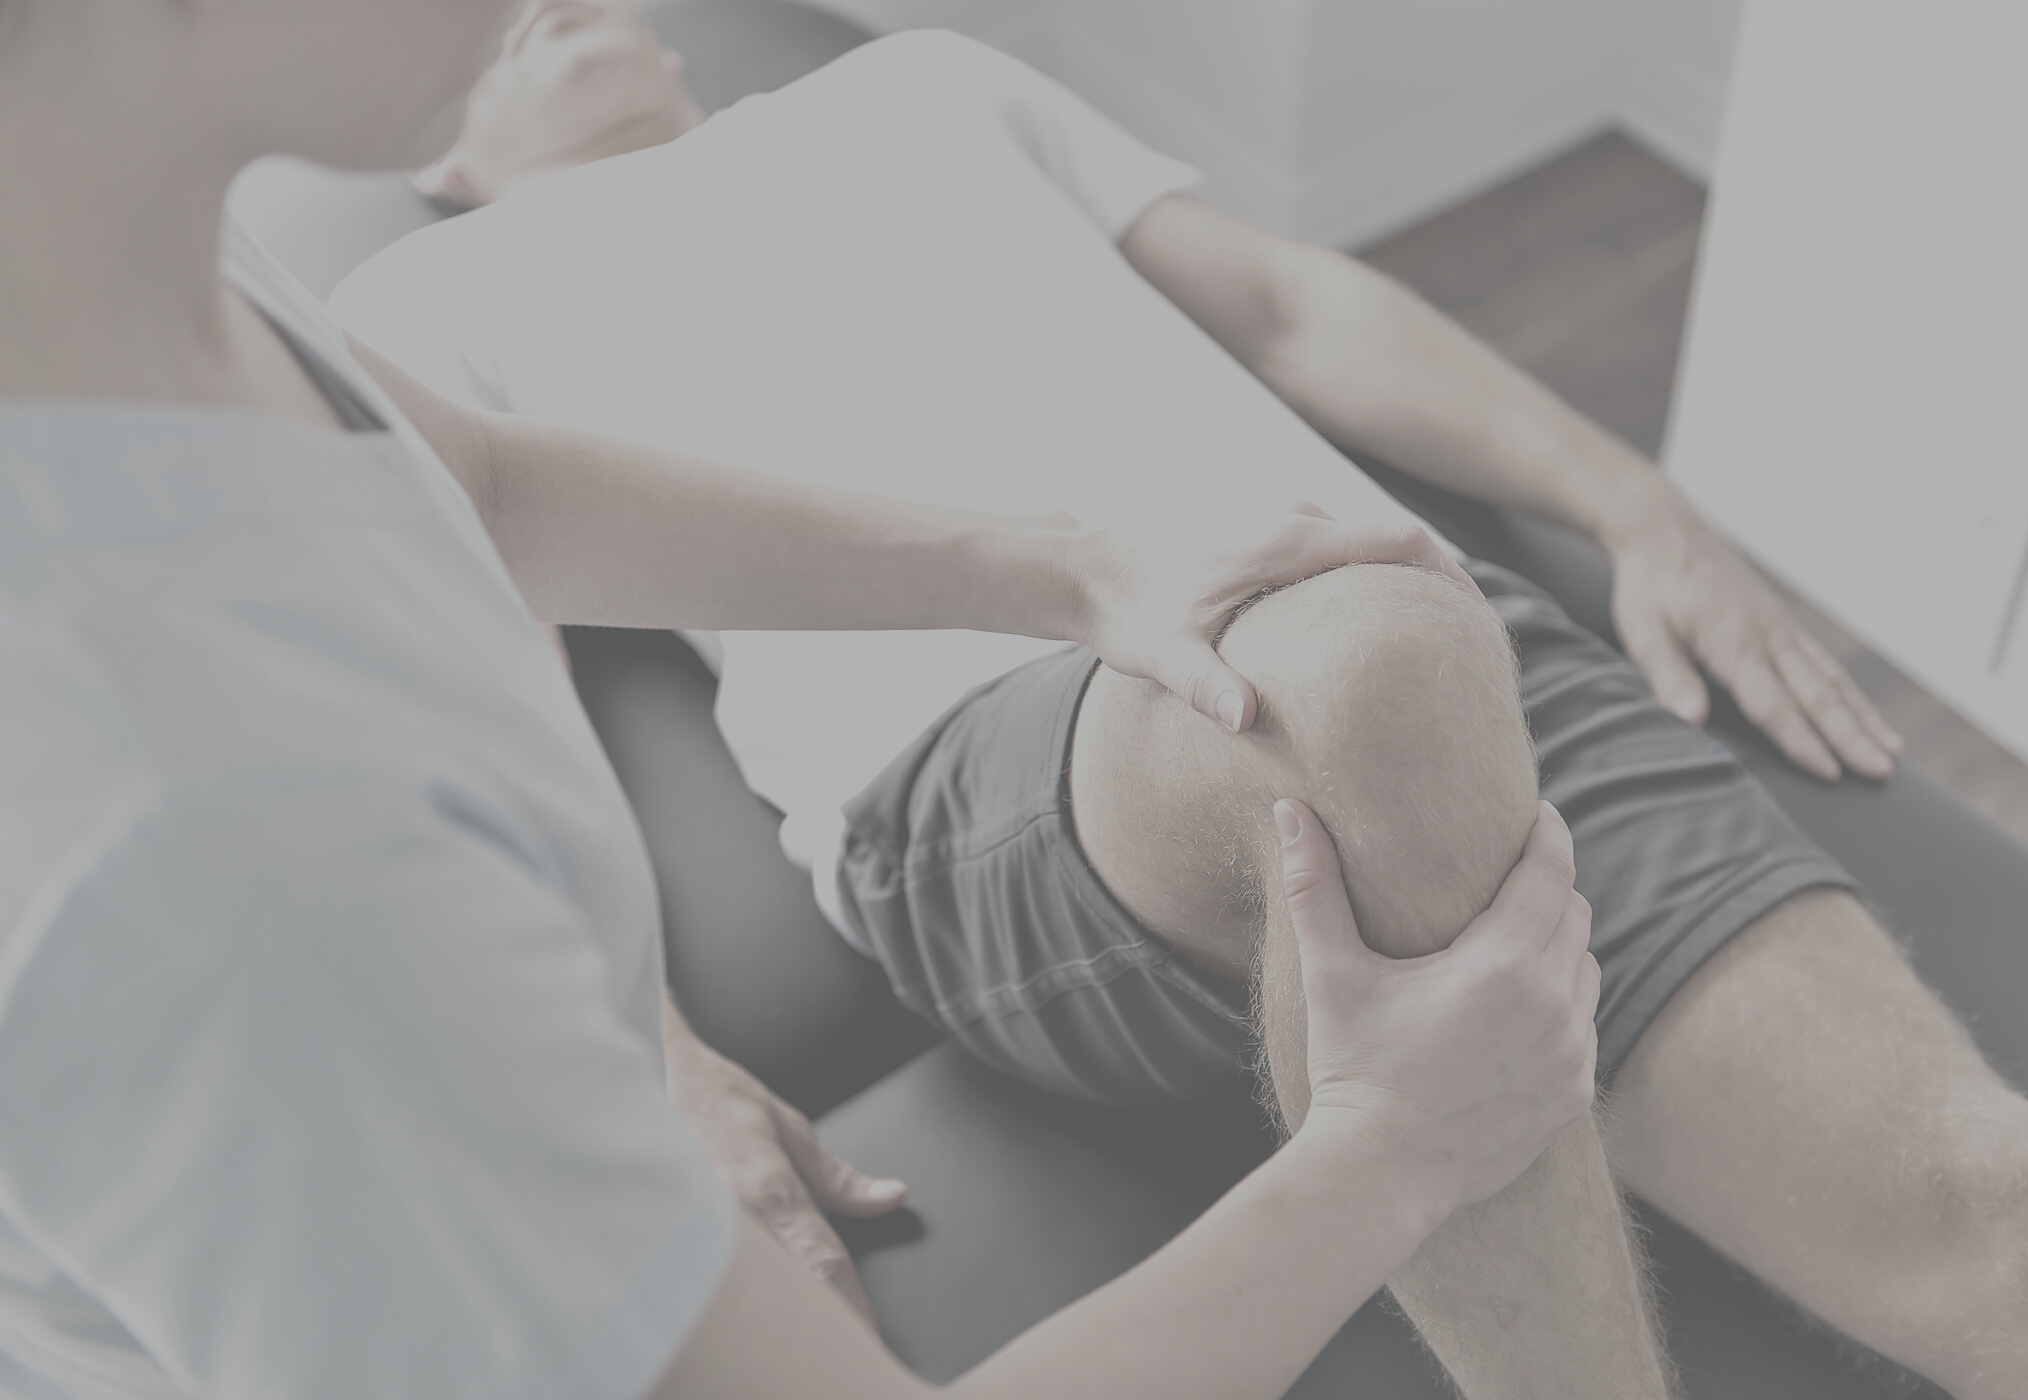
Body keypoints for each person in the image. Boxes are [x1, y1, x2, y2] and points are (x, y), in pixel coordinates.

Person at [331, 9, 2028, 1399]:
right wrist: (650, 1048)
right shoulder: (418, 304)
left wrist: (1633, 503)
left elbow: (1282, 300)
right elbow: (482, 682)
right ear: (432, 157)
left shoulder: (918, 89)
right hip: (1015, 770)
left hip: (1434, 646)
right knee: (1360, 661)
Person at [0, 1, 1603, 1397]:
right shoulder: (204, 845)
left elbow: (479, 484)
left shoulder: (116, 217)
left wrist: (1069, 569)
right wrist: (1390, 1152)